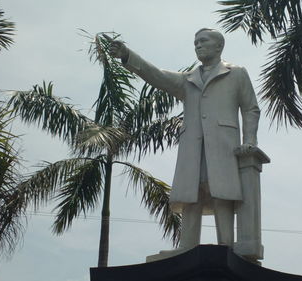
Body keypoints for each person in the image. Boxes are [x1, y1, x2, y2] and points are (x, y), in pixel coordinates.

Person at [109, 28, 260, 254]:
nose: (198, 45)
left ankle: (226, 246)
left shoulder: (236, 73)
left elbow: (250, 108)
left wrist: (249, 140)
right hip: (193, 146)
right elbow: (156, 75)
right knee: (192, 193)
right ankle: (187, 246)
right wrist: (128, 56)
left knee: (223, 194)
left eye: (203, 41)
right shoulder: (187, 79)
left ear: (219, 46)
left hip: (224, 146)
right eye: (195, 42)